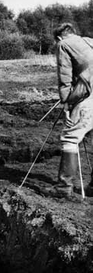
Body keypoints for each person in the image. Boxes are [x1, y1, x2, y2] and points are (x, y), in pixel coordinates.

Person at [50, 23, 93, 198]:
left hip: (89, 96)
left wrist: (66, 103)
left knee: (70, 137)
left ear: (59, 37)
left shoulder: (63, 44)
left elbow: (65, 76)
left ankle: (63, 187)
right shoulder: (88, 41)